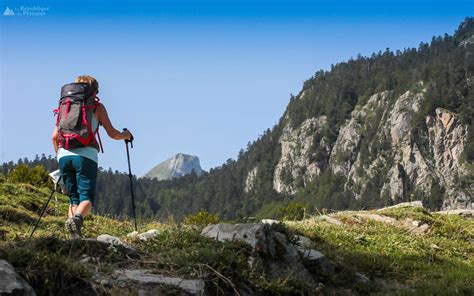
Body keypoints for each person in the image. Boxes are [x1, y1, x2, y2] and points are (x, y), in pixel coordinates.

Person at [52, 75, 132, 238]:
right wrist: (126, 135)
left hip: (64, 155)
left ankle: (74, 237)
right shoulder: (97, 107)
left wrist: (60, 156)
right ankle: (77, 219)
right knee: (86, 198)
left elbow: (54, 137)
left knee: (73, 198)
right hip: (86, 156)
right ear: (94, 90)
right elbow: (112, 134)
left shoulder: (64, 106)